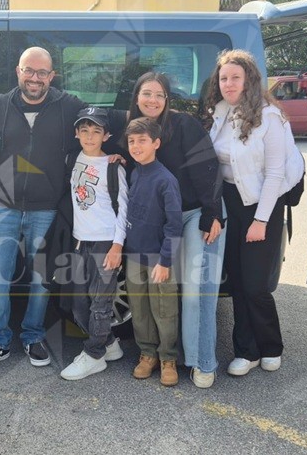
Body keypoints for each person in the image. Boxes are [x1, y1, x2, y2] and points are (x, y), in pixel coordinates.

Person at [0, 47, 94, 370]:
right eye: (29, 71)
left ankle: (32, 335)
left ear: (52, 76)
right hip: (4, 205)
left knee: (41, 278)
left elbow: (102, 124)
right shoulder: (0, 105)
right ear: (18, 71)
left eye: (42, 73)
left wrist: (115, 153)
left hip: (46, 207)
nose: (35, 78)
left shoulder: (68, 106)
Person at [199, 49, 305, 379]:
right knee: (238, 282)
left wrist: (260, 220)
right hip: (230, 203)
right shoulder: (219, 111)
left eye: (235, 77)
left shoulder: (268, 115)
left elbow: (275, 172)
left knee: (256, 284)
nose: (229, 83)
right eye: (223, 78)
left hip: (262, 205)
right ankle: (246, 351)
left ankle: (271, 346)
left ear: (249, 80)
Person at [115, 71, 224, 389]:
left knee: (188, 292)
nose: (152, 100)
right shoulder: (133, 131)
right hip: (149, 229)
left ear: (167, 100)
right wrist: (114, 157)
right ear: (136, 97)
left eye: (159, 94)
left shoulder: (185, 125)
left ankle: (184, 359)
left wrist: (212, 211)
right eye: (146, 93)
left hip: (189, 214)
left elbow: (208, 167)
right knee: (143, 302)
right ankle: (148, 354)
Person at [59, 107, 129, 381]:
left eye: (96, 131)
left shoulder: (113, 167)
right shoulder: (71, 159)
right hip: (79, 241)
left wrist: (117, 246)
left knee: (101, 304)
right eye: (84, 130)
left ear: (107, 135)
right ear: (76, 133)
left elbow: (124, 208)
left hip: (104, 243)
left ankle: (94, 354)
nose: (90, 136)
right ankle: (111, 344)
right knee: (78, 304)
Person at [123, 117, 183, 387]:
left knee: (164, 310)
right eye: (131, 141)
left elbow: (174, 224)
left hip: (159, 260)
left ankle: (168, 357)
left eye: (142, 141)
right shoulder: (135, 173)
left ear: (156, 143)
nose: (136, 146)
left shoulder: (165, 180)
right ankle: (147, 354)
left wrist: (166, 260)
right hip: (135, 256)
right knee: (140, 309)